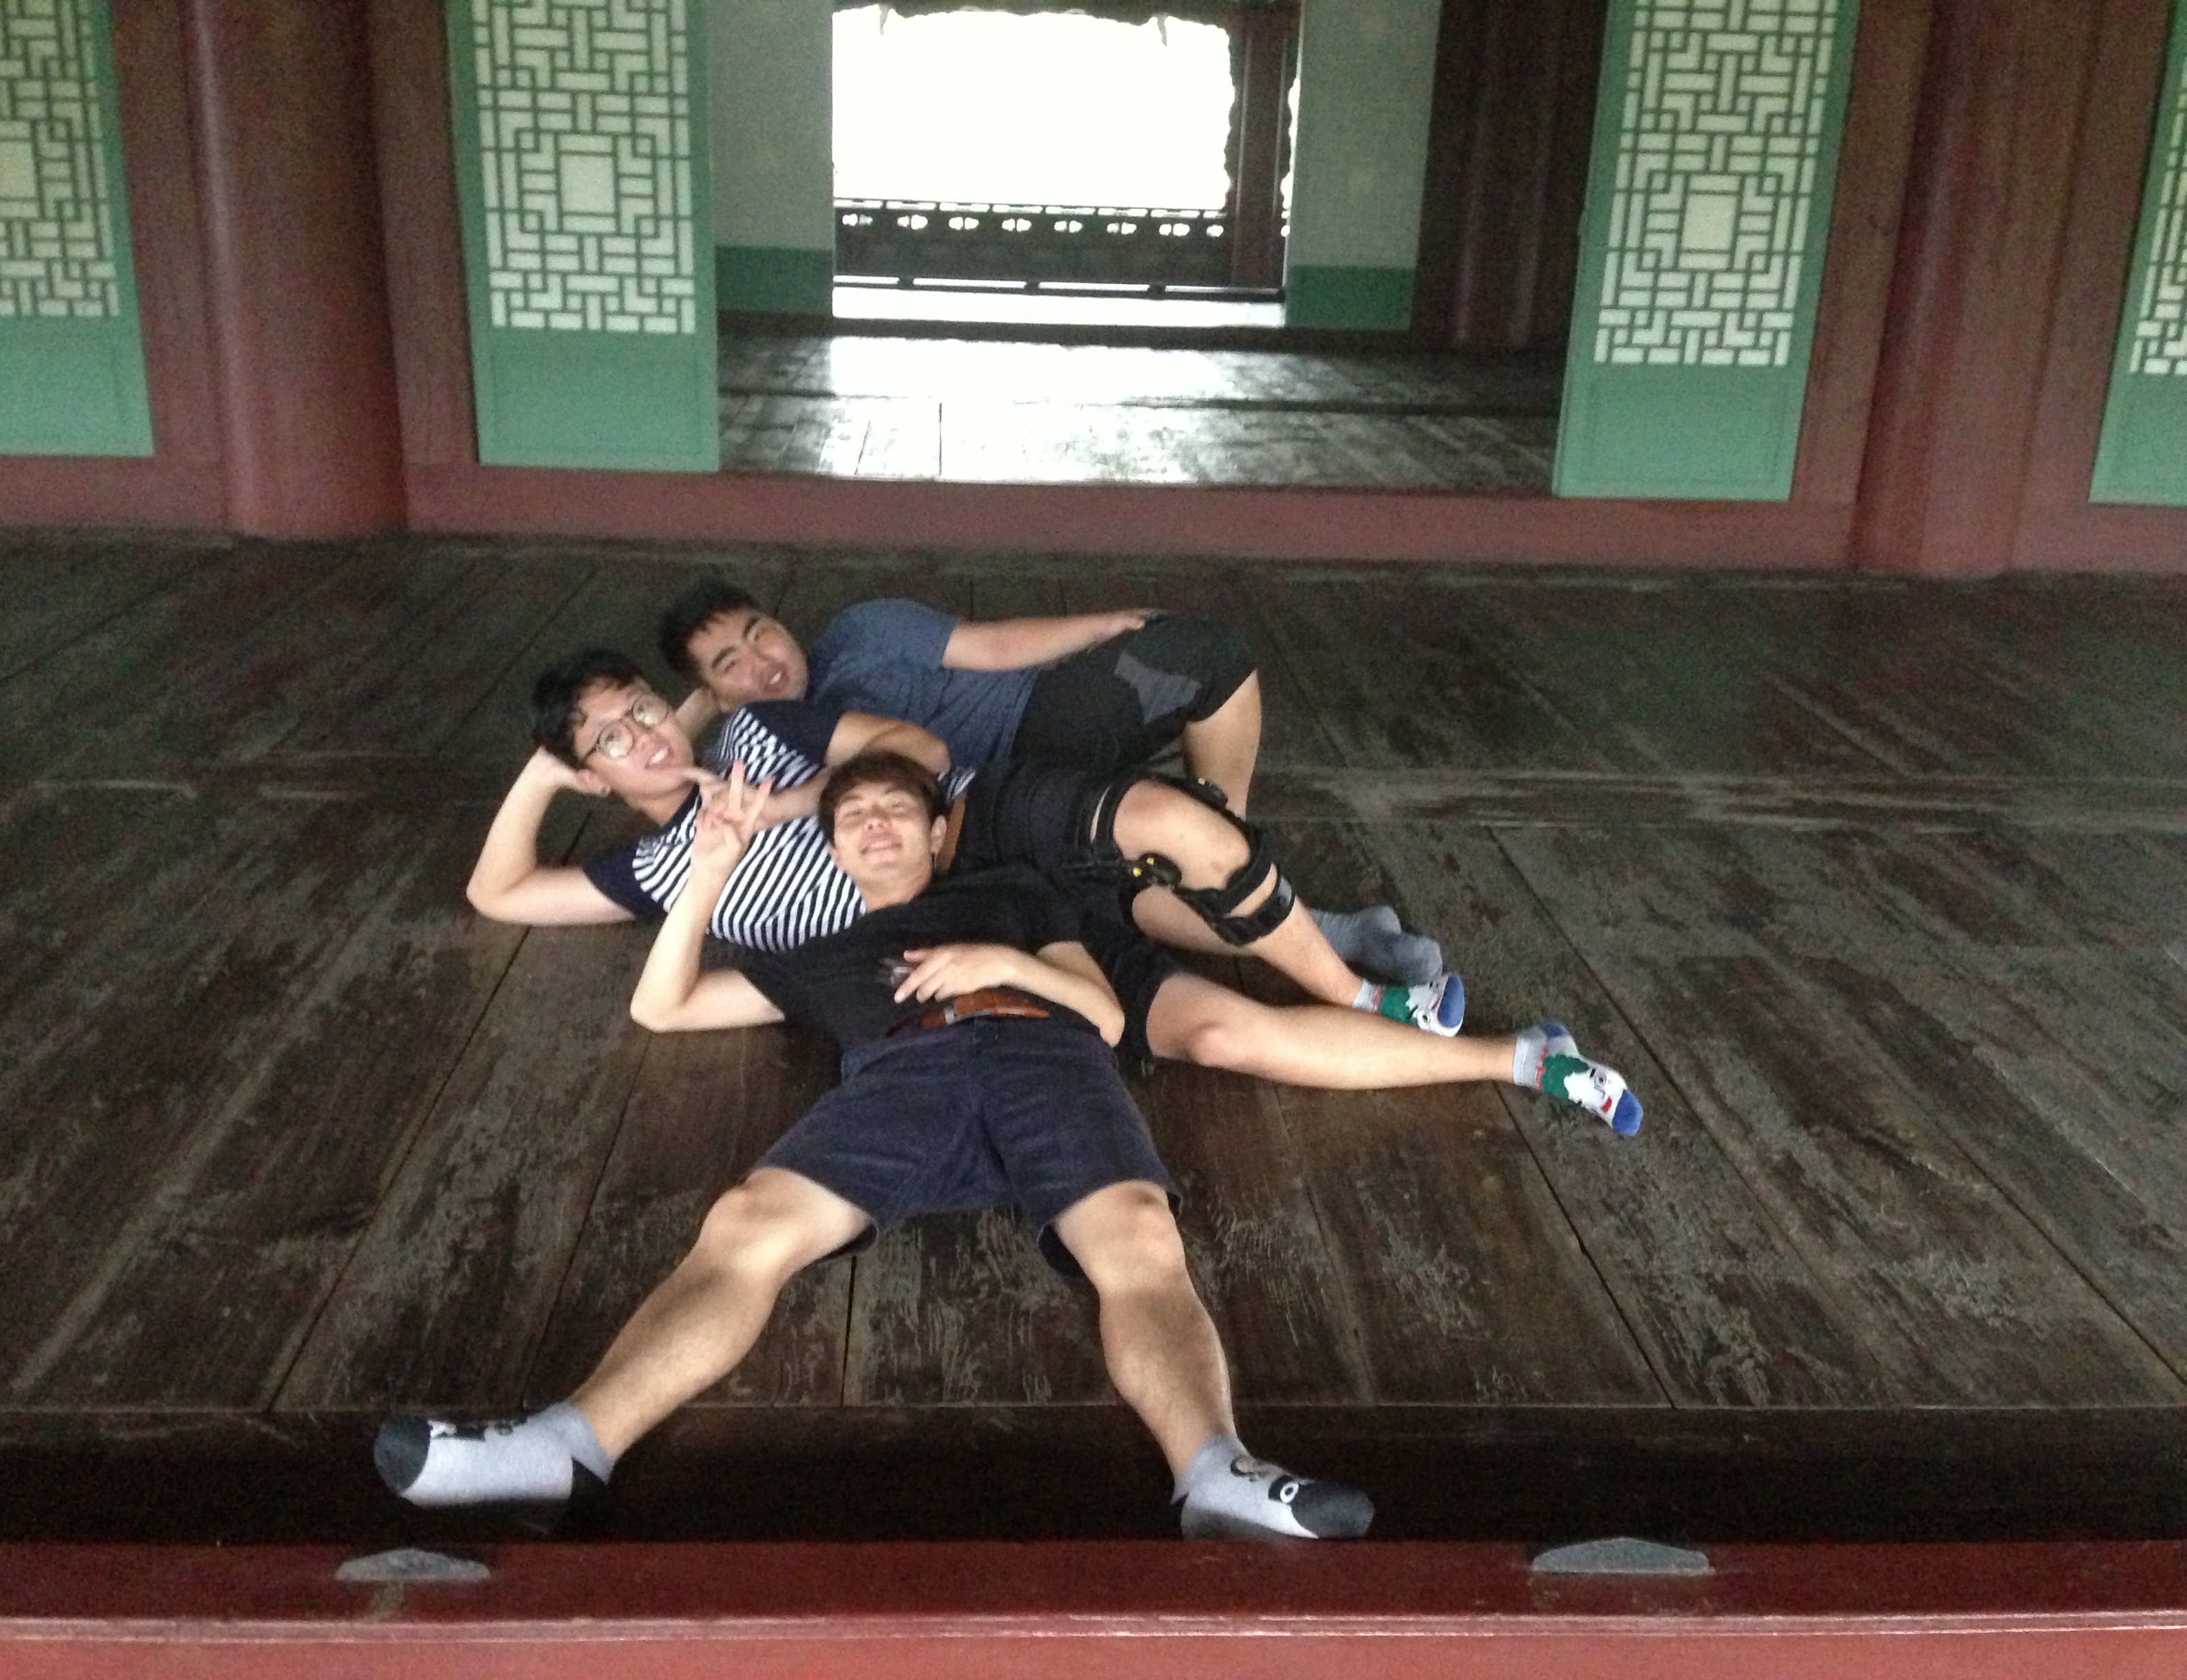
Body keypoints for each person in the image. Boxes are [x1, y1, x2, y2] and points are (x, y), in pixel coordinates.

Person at [376, 753, 1379, 1541]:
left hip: (1047, 1056)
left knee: (1140, 1238)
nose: (873, 823)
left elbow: (1109, 1017)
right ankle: (566, 1448)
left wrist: (998, 960)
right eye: (852, 816)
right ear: (835, 850)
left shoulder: (1013, 894)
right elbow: (662, 1007)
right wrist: (708, 875)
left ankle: (1215, 1472)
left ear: (938, 833)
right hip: (906, 1074)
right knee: (745, 1223)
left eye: (897, 808)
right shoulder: (817, 955)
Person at [466, 651, 1641, 1130]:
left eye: (642, 709)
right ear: (588, 774)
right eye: (608, 741)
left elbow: (915, 754)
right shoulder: (649, 872)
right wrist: (555, 770)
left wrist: (783, 800)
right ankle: (1519, 1057)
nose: (643, 737)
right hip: (975, 946)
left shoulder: (763, 735)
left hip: (982, 852)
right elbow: (500, 891)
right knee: (1224, 1036)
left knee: (1162, 849)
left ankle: (1357, 975)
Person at [656, 574, 1442, 985]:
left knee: (1211, 654)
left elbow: (991, 646)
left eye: (762, 633)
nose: (764, 662)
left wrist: (1097, 625)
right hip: (986, 814)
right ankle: (1343, 934)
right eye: (731, 664)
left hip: (1040, 724)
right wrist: (697, 711)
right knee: (1120, 898)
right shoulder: (756, 738)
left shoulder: (861, 633)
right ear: (713, 695)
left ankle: (1229, 836)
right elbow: (664, 762)